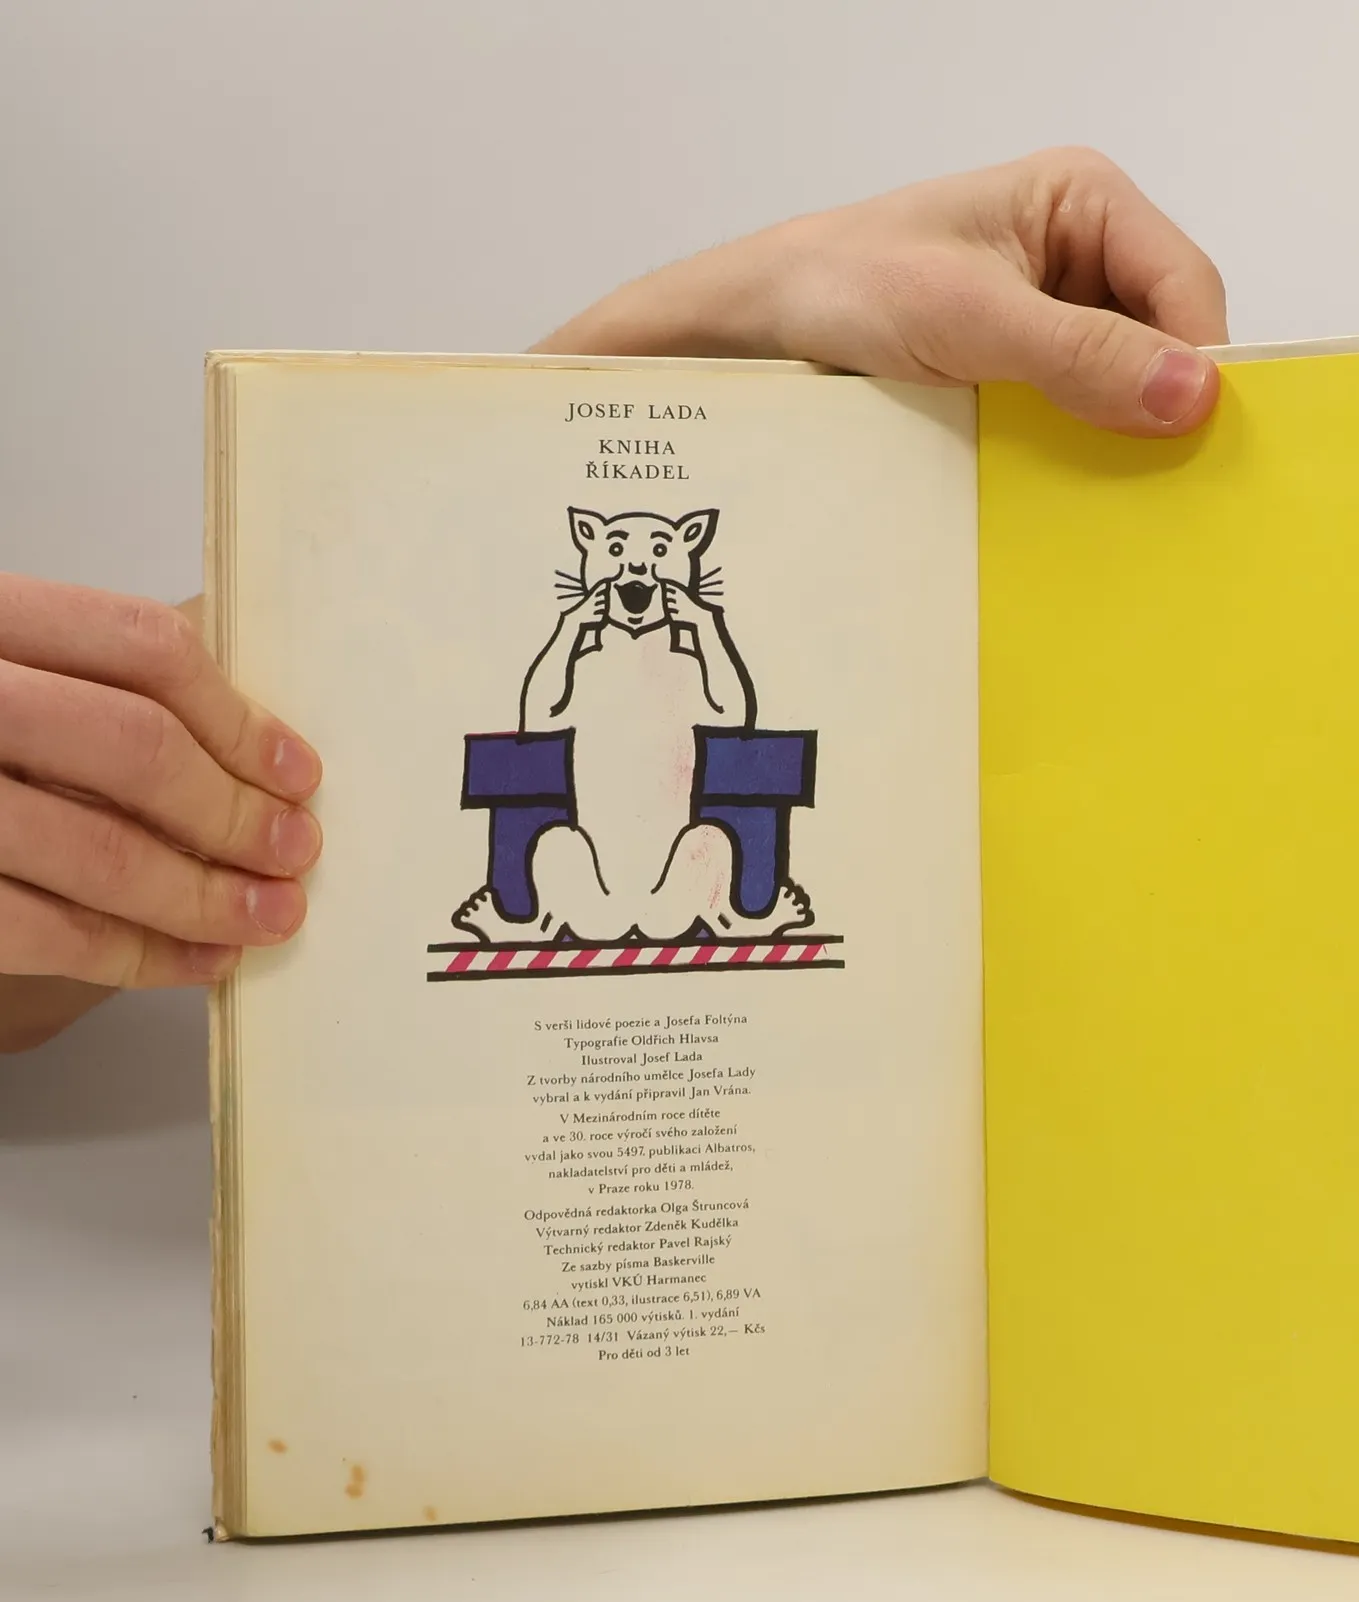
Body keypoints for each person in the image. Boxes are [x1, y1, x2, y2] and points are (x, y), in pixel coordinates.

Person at [0, 148, 1227, 1053]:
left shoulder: (683, 619)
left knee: (719, 848)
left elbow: (44, 963)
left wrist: (726, 320)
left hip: (678, 855)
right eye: (617, 557)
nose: (636, 576)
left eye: (654, 557)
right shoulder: (585, 632)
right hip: (589, 858)